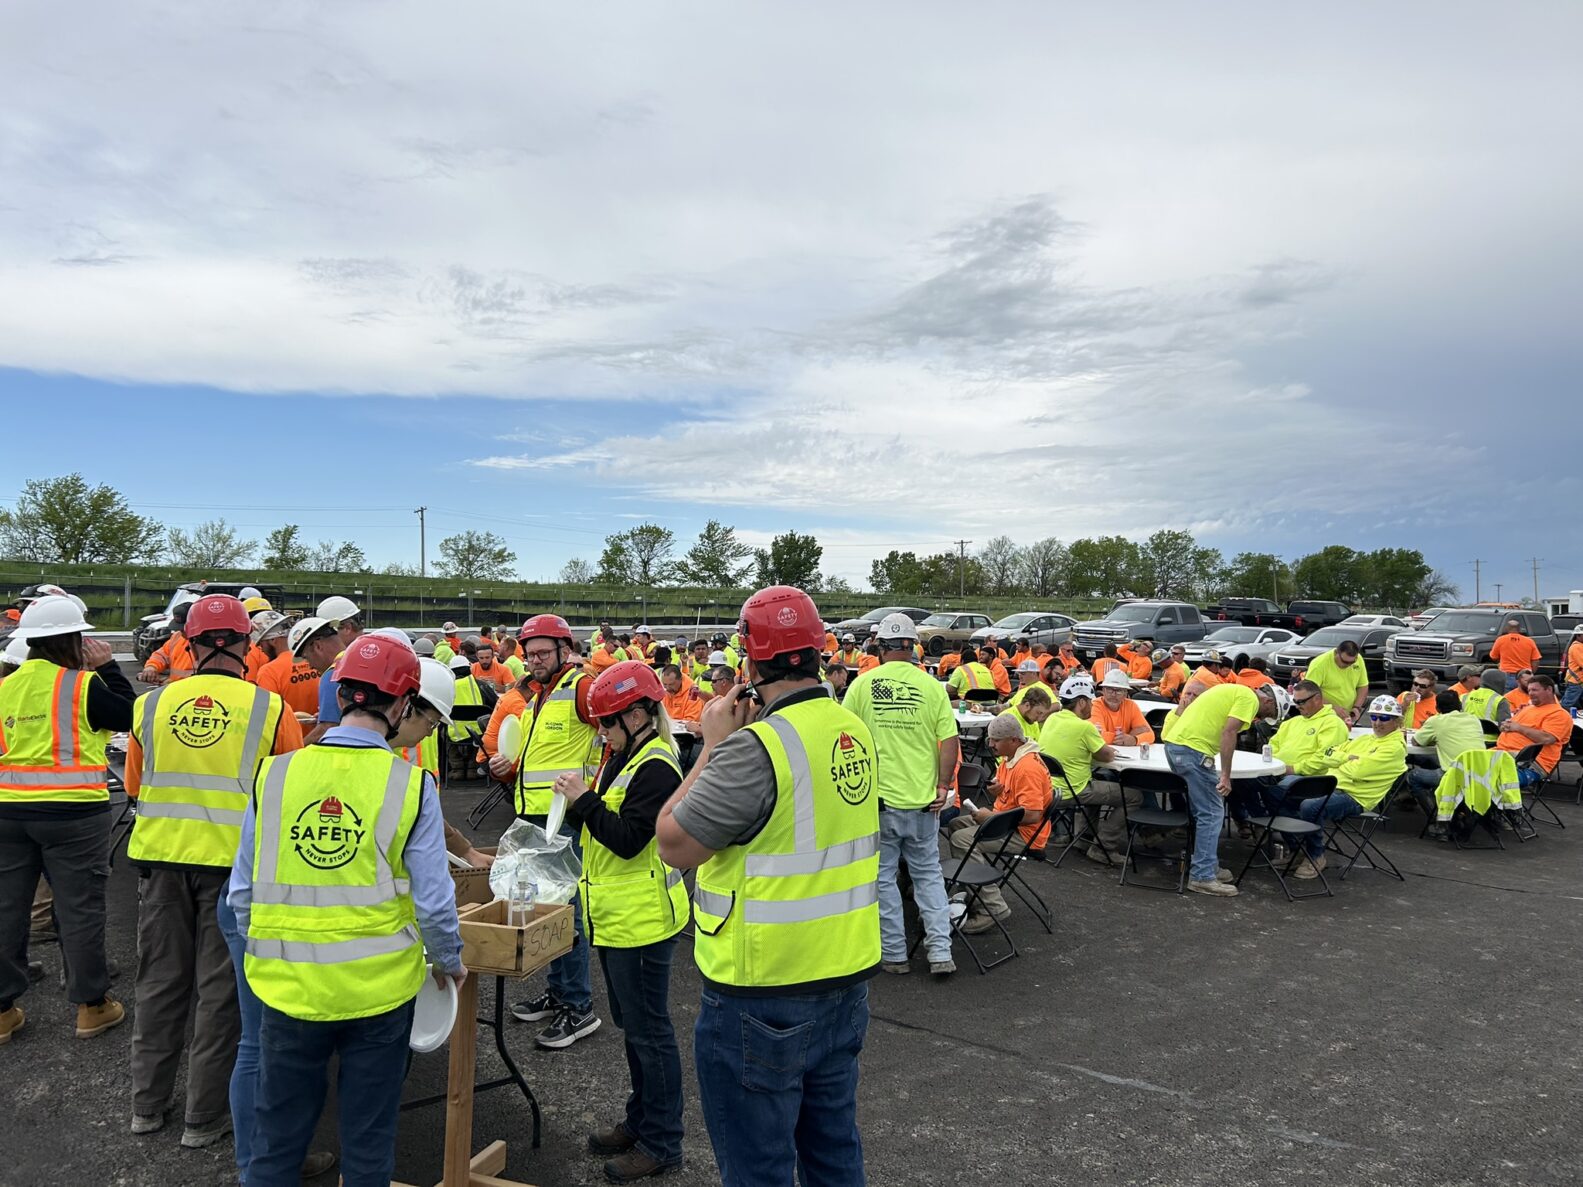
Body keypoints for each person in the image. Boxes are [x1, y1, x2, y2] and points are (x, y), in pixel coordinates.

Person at [656, 586, 878, 1187]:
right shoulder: (850, 726)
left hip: (762, 990)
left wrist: (710, 745)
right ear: (816, 652)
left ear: (750, 666)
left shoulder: (756, 749)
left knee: (759, 1168)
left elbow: (673, 843)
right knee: (834, 1152)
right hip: (844, 977)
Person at [229, 635, 465, 1187]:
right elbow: (434, 898)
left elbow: (242, 892)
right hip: (378, 993)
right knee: (367, 1143)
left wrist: (266, 958)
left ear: (340, 692)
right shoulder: (410, 785)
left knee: (276, 1144)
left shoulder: (276, 774)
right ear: (403, 705)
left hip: (287, 988)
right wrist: (448, 958)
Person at [125, 595, 303, 1148]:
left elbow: (134, 787)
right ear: (247, 646)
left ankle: (146, 1107)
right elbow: (286, 794)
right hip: (233, 872)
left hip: (161, 862)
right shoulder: (270, 710)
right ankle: (202, 1120)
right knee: (219, 992)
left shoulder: (150, 707)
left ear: (191, 644)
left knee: (158, 984)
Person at [557, 662, 688, 1182]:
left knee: (651, 1034)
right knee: (635, 1030)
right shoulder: (624, 756)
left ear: (637, 714)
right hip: (616, 918)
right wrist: (576, 806)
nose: (602, 734)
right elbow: (602, 824)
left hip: (642, 922)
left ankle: (662, 1142)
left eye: (607, 723)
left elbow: (630, 839)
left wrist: (582, 802)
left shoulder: (656, 765)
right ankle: (641, 1121)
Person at [0, 595, 135, 1045]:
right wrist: (110, 668)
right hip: (74, 813)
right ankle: (91, 1007)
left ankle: (3, 1012)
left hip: (7, 812)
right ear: (73, 640)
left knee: (6, 910)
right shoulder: (82, 685)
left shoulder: (5, 687)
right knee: (78, 910)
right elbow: (131, 715)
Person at [488, 615, 603, 1048]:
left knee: (565, 913)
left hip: (565, 820)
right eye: (529, 653)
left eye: (542, 653)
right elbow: (543, 757)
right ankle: (561, 993)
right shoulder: (539, 697)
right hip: (538, 820)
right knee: (548, 910)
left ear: (564, 649)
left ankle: (579, 1008)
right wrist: (509, 766)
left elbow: (614, 735)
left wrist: (591, 788)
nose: (533, 660)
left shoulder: (583, 688)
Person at [842, 614, 958, 977]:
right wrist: (942, 785)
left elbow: (844, 736)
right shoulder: (931, 687)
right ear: (912, 647)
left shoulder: (863, 685)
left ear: (880, 648)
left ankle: (894, 954)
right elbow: (949, 741)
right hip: (923, 802)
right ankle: (940, 951)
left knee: (883, 879)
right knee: (928, 877)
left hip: (879, 803)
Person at [1160, 680, 1289, 897]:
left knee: (1206, 811)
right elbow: (1229, 733)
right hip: (1193, 751)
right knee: (1211, 813)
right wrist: (1226, 776)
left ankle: (1208, 866)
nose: (1260, 718)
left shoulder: (1231, 690)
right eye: (1268, 712)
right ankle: (1202, 875)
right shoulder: (1248, 699)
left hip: (1178, 746)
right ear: (1267, 700)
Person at [949, 714, 1051, 932]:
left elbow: (1032, 815)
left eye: (995, 740)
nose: (990, 744)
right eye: (990, 739)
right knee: (956, 825)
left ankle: (992, 907)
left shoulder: (1027, 767)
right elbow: (1016, 797)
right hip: (1007, 822)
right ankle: (970, 888)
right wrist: (1000, 789)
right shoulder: (1011, 757)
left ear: (1013, 740)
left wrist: (991, 818)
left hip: (1025, 834)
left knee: (961, 839)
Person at [1289, 695, 1407, 879]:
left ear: (1397, 721)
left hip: (1356, 796)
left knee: (1309, 806)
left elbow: (1358, 771)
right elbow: (1330, 753)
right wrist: (1345, 759)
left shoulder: (1394, 747)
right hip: (1333, 785)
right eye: (1374, 716)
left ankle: (1315, 855)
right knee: (1283, 793)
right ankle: (1297, 850)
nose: (1377, 722)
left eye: (1384, 718)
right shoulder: (1367, 739)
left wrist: (1341, 762)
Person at [1037, 675, 1135, 867]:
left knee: (1098, 784)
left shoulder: (1051, 719)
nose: (1092, 705)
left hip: (1049, 788)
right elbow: (1106, 756)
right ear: (1081, 702)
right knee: (1133, 796)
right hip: (1073, 790)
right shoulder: (1083, 727)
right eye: (1089, 701)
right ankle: (1103, 847)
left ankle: (1083, 838)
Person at [1256, 678, 1351, 815]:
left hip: (1312, 778)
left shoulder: (1332, 723)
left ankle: (1290, 830)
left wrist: (1293, 768)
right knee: (1243, 783)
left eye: (1301, 701)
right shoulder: (1292, 722)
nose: (1297, 706)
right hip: (1278, 771)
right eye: (1295, 702)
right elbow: (1273, 745)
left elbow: (1325, 758)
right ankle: (1260, 822)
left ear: (1317, 699)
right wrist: (1274, 765)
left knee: (1276, 790)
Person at [1406, 690, 1486, 837]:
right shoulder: (1474, 719)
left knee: (1413, 776)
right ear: (1460, 705)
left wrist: (1432, 734)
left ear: (1437, 709)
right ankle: (1453, 812)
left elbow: (1416, 741)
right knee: (1431, 762)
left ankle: (1439, 820)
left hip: (1454, 776)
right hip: (1481, 775)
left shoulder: (1436, 721)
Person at [305, 595, 365, 744]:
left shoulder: (337, 670)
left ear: (347, 628)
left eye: (326, 632)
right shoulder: (372, 657)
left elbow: (328, 728)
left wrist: (292, 750)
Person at [1494, 675, 1572, 787]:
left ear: (1549, 690)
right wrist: (1505, 727)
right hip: (1502, 753)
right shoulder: (1527, 708)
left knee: (1488, 778)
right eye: (1529, 690)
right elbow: (1510, 726)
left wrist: (1519, 728)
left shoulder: (1559, 714)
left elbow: (1547, 738)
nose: (1530, 693)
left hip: (1529, 763)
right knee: (1468, 766)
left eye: (1535, 690)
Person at [1306, 639, 1370, 722]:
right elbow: (1309, 692)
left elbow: (1363, 686)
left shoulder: (1358, 659)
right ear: (1336, 653)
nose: (1348, 665)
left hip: (1346, 716)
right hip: (1323, 715)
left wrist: (1356, 707)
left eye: (1352, 663)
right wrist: (1332, 707)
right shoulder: (1319, 664)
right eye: (1344, 662)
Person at [1091, 669, 1156, 745]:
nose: (1113, 694)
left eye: (1119, 690)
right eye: (1109, 689)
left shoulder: (1131, 705)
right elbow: (1098, 736)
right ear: (1103, 691)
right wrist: (1128, 736)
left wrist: (1134, 740)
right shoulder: (1094, 705)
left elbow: (1151, 735)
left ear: (1125, 693)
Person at [139, 602, 195, 685]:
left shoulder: (207, 644)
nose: (180, 631)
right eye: (179, 628)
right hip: (176, 691)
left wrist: (174, 683)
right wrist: (151, 667)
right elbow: (161, 655)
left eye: (183, 628)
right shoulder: (177, 637)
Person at [1489, 619, 1540, 692]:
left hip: (1507, 674)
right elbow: (1536, 661)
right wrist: (1531, 673)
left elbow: (1493, 656)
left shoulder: (1500, 640)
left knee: (1508, 699)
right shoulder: (1529, 641)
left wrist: (1500, 662)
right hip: (1524, 675)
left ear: (1507, 628)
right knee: (1525, 699)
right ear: (1519, 629)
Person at [1563, 626, 1583, 711]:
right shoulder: (1576, 647)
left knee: (1577, 705)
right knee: (1567, 704)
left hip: (1578, 680)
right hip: (1576, 680)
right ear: (1578, 635)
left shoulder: (1579, 646)